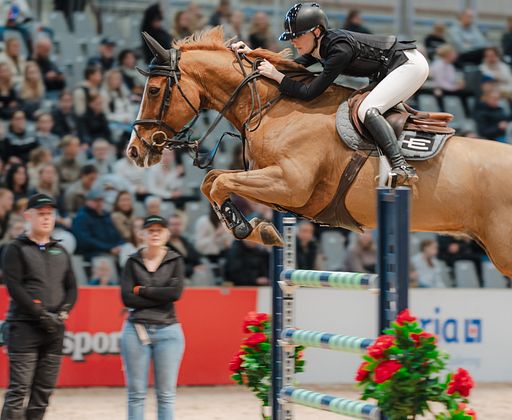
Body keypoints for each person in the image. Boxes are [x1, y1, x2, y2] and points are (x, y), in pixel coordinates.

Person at [232, 3, 428, 186]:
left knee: (367, 110)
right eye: (292, 36)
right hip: (388, 70)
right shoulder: (319, 45)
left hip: (407, 65)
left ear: (316, 31)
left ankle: (401, 166)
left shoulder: (338, 50)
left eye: (298, 35)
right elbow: (293, 66)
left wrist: (276, 76)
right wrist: (253, 54)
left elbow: (310, 92)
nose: (293, 41)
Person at [0, 193, 77, 420]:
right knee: (18, 390)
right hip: (24, 327)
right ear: (28, 216)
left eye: (49, 214)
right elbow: (14, 287)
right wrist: (40, 314)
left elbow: (72, 288)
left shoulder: (61, 250)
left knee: (43, 393)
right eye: (40, 214)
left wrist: (62, 313)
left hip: (54, 330)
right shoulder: (15, 249)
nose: (46, 218)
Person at [120, 215, 185, 420]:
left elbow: (175, 294)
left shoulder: (175, 260)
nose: (155, 233)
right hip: (136, 330)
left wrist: (142, 290)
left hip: (168, 330)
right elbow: (127, 298)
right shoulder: (132, 261)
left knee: (166, 395)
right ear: (142, 234)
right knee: (136, 394)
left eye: (159, 230)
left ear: (166, 233)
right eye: (151, 230)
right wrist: (159, 294)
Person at [71, 188, 125, 260]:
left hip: (112, 250)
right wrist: (109, 248)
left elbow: (115, 234)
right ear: (87, 202)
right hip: (93, 254)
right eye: (96, 200)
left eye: (101, 200)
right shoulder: (81, 217)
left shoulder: (105, 215)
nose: (99, 203)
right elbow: (85, 242)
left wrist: (120, 245)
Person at [430, 44, 472, 115]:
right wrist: (455, 88)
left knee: (468, 91)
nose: (456, 55)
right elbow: (440, 83)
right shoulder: (438, 65)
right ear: (448, 54)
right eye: (454, 53)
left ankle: (465, 113)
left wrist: (458, 84)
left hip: (448, 88)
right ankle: (465, 114)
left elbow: (451, 79)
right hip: (439, 88)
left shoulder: (450, 65)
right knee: (462, 94)